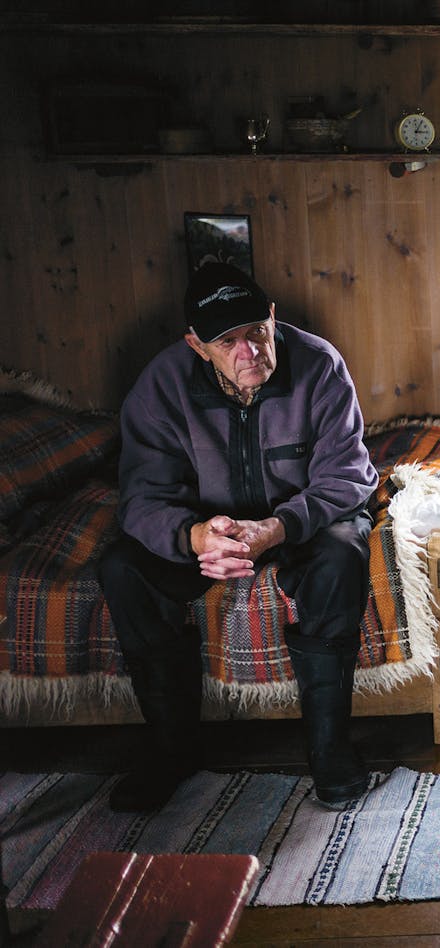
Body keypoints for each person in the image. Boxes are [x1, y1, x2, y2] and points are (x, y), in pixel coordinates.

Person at [98, 261, 379, 812]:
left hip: (296, 520)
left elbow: (347, 477)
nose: (249, 349)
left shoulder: (320, 365)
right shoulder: (162, 383)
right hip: (210, 527)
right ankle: (172, 749)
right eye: (227, 341)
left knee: (344, 552)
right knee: (122, 568)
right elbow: (141, 496)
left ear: (273, 317)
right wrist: (195, 536)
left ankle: (329, 750)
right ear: (197, 346)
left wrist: (275, 528)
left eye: (256, 330)